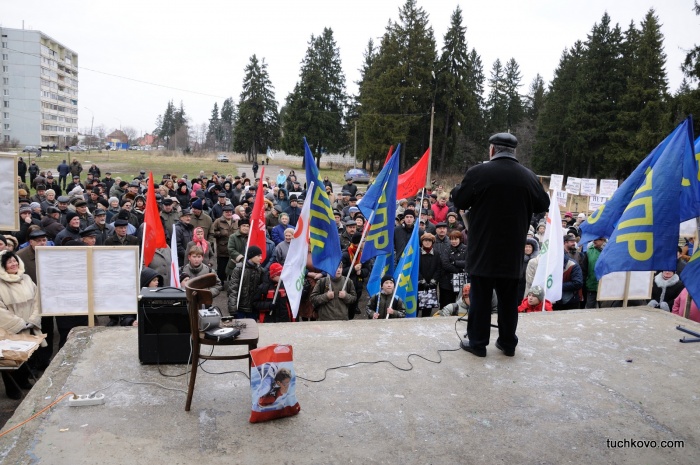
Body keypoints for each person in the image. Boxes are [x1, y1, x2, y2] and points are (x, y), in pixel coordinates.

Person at [453, 132, 549, 357]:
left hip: (484, 250)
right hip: (513, 250)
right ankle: (507, 343)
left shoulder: (478, 173)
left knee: (481, 298)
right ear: (513, 151)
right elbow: (542, 203)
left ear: (492, 150)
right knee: (508, 300)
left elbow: (460, 199)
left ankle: (477, 343)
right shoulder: (528, 176)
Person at [0, 251, 46, 399]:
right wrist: (19, 323)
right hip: (10, 328)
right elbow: (1, 311)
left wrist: (32, 319)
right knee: (11, 360)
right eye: (9, 262)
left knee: (29, 355)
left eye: (15, 261)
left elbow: (36, 300)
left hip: (30, 324)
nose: (14, 264)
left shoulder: (26, 278)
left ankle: (24, 381)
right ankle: (12, 389)